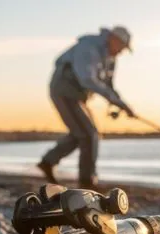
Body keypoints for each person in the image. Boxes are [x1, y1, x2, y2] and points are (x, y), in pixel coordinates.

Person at [37, 26, 137, 191]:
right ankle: (87, 182)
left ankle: (47, 162)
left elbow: (108, 85)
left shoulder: (111, 58)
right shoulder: (88, 47)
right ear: (113, 39)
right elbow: (87, 80)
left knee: (82, 133)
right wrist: (115, 101)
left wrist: (122, 104)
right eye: (121, 47)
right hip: (63, 89)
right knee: (90, 134)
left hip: (78, 96)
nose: (121, 52)